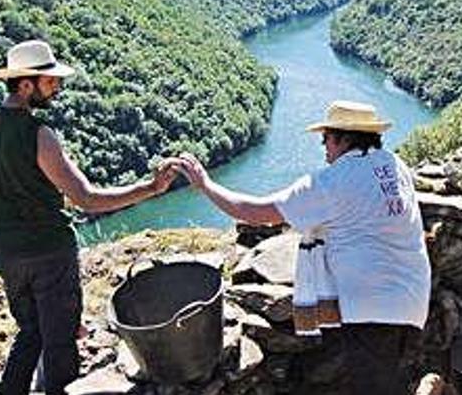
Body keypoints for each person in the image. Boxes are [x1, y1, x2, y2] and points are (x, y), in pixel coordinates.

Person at [174, 100, 431, 395]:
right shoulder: (393, 164)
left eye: (326, 138)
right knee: (392, 379)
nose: (324, 147)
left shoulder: (333, 181)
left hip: (373, 307)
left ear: (343, 138)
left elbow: (258, 213)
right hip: (413, 298)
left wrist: (206, 185)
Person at [0, 40, 177, 395]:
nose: (57, 88)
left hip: (5, 252)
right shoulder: (38, 134)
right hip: (49, 253)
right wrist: (151, 188)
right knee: (60, 340)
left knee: (30, 332)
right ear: (26, 84)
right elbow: (86, 199)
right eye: (50, 82)